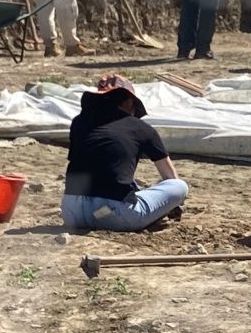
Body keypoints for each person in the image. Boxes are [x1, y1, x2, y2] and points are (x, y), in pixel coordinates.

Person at [62, 74, 189, 231]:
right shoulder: (139, 127)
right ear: (129, 101)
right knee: (179, 186)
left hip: (72, 213)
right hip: (113, 214)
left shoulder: (78, 123)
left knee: (123, 179)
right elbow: (170, 177)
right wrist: (172, 205)